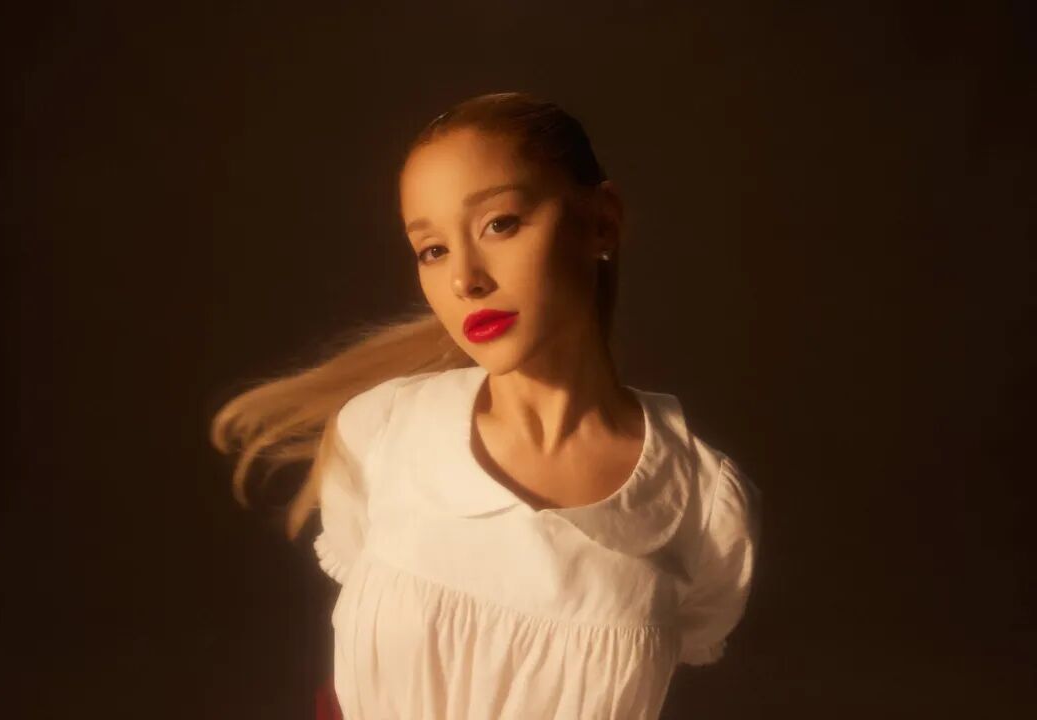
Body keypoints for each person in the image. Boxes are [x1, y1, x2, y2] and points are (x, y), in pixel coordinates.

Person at [210, 91, 763, 720]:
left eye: (499, 224)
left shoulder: (704, 505)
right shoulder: (382, 433)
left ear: (602, 221)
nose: (464, 279)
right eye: (433, 249)